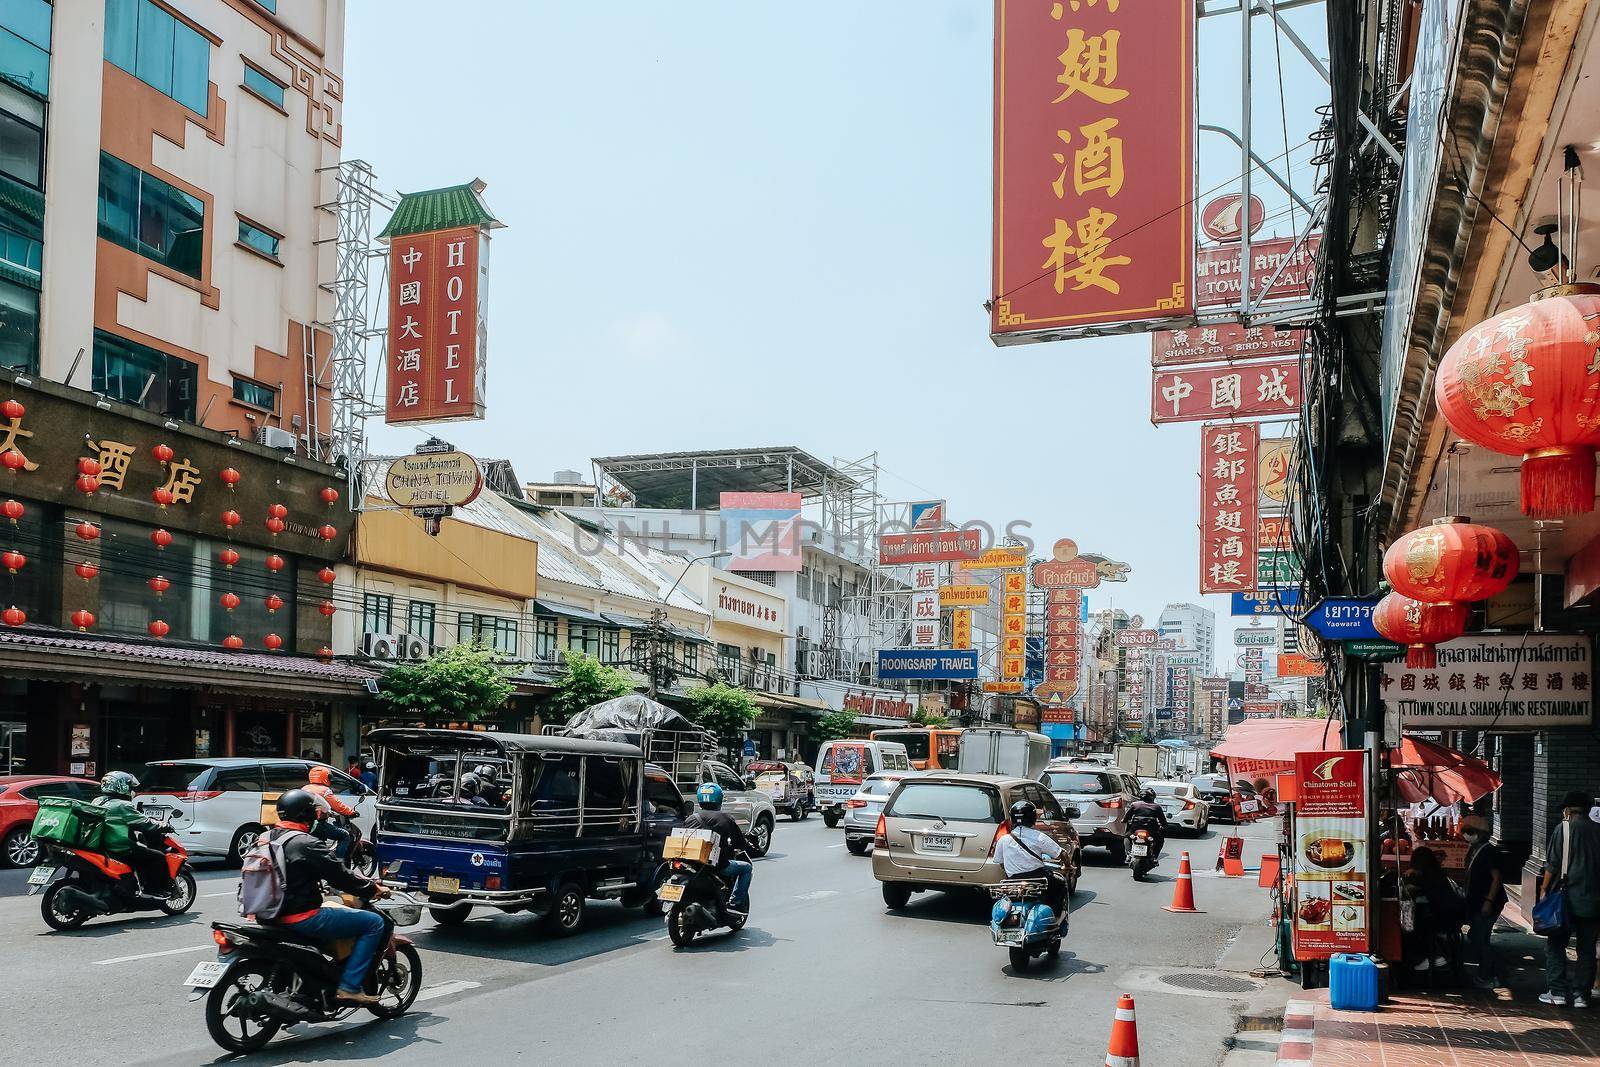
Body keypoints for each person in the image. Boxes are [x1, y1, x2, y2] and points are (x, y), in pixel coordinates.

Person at [262, 789, 389, 1006]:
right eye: (314, 813)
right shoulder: (305, 843)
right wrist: (372, 888)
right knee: (375, 923)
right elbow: (341, 875)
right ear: (306, 815)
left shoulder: (264, 838)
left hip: (265, 915)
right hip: (302, 917)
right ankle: (349, 988)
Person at [1541, 790, 1600, 1007]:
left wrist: (1544, 891)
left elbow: (1553, 864)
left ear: (1567, 809)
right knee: (1586, 949)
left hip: (1565, 899)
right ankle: (1581, 995)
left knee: (1556, 945)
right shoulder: (1597, 831)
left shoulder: (1563, 829)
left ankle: (1557, 991)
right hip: (1594, 901)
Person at [91, 771, 173, 897]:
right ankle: (154, 890)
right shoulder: (122, 805)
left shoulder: (97, 801)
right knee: (158, 857)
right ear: (122, 786)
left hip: (102, 846)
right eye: (130, 787)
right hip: (120, 848)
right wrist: (164, 825)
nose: (132, 790)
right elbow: (146, 823)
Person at [682, 783, 754, 913]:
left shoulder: (691, 819)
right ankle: (735, 904)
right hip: (716, 865)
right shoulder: (726, 819)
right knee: (746, 868)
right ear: (719, 799)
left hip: (691, 863)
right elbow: (739, 843)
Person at [992, 799, 1068, 919]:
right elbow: (1061, 853)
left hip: (1013, 882)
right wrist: (1067, 866)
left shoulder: (1003, 839)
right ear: (1033, 818)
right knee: (1060, 882)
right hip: (1039, 879)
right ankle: (1056, 917)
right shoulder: (1039, 837)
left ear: (1012, 819)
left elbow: (1000, 863)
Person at [1404, 845, 1465, 975]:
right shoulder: (1436, 873)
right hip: (1453, 916)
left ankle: (1433, 956)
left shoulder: (1429, 877)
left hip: (1444, 918)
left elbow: (1414, 891)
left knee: (1413, 927)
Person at [1461, 816, 1507, 989]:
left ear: (1480, 834)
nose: (1466, 835)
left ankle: (1487, 975)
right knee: (1476, 936)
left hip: (1487, 902)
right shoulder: (1474, 849)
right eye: (1464, 832)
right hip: (1476, 901)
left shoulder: (1488, 852)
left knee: (1480, 938)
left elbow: (1496, 878)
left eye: (1470, 832)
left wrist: (1488, 901)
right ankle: (1493, 972)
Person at [303, 766, 355, 861]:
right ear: (326, 777)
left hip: (305, 824)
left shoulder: (304, 788)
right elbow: (338, 806)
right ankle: (339, 862)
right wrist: (351, 812)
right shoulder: (325, 790)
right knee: (345, 836)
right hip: (318, 824)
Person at [1126, 788, 1168, 856]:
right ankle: (1154, 856)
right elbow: (1162, 820)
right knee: (1160, 839)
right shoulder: (1157, 806)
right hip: (1151, 828)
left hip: (1136, 827)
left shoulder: (1134, 804)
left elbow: (1127, 816)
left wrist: (1124, 821)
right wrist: (1164, 826)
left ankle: (1128, 854)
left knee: (1127, 836)